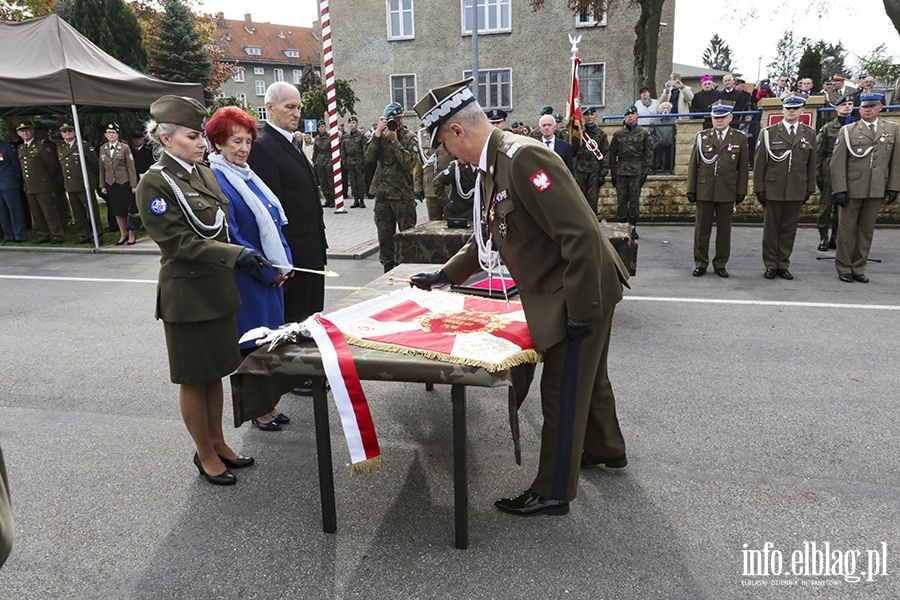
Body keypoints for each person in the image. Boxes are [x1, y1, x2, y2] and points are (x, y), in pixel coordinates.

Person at [410, 78, 630, 517]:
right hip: (566, 284)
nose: (448, 155)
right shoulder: (496, 165)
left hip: (577, 287)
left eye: (445, 145)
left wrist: (582, 309)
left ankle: (552, 491)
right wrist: (444, 274)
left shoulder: (523, 157)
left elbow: (581, 235)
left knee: (563, 389)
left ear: (457, 132)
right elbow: (488, 238)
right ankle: (606, 448)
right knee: (590, 377)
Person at [137, 95, 266, 485]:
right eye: (192, 136)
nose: (200, 143)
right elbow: (178, 243)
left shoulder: (202, 173)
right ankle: (204, 452)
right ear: (165, 139)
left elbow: (219, 226)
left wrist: (242, 253)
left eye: (200, 136)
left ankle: (219, 442)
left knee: (216, 373)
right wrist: (236, 254)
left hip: (216, 291)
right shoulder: (155, 183)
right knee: (195, 378)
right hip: (188, 296)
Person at [206, 106, 294, 430]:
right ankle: (258, 411)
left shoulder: (248, 176)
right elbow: (233, 235)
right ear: (217, 144)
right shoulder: (217, 180)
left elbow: (273, 221)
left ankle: (268, 404)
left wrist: (285, 263)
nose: (243, 148)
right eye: (235, 142)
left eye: (247, 141)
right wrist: (269, 271)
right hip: (248, 279)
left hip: (270, 276)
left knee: (269, 344)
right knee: (251, 348)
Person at [246, 82, 328, 397]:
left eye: (298, 107)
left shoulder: (291, 143)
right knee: (294, 316)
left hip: (311, 245)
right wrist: (280, 258)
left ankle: (304, 370)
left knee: (310, 313)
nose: (296, 113)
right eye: (289, 107)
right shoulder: (264, 146)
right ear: (270, 108)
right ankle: (293, 375)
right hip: (293, 250)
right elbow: (270, 209)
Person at [830, 93, 900, 283]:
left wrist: (893, 187)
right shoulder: (848, 131)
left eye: (871, 106)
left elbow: (895, 162)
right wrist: (839, 189)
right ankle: (844, 267)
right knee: (847, 229)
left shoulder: (892, 130)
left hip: (876, 187)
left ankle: (858, 267)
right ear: (859, 109)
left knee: (866, 229)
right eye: (864, 107)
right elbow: (837, 164)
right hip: (853, 187)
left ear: (880, 108)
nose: (867, 109)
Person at [753, 96, 817, 280]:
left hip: (797, 187)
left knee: (789, 229)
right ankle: (770, 264)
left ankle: (783, 263)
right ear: (782, 110)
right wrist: (759, 189)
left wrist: (809, 188)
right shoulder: (769, 133)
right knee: (771, 229)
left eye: (795, 108)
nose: (791, 111)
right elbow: (759, 164)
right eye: (788, 108)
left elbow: (811, 163)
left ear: (802, 110)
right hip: (773, 187)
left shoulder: (809, 133)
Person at [686, 101, 749, 278]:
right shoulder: (702, 137)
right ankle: (700, 262)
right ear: (711, 118)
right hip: (704, 189)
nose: (719, 121)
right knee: (701, 230)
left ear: (730, 118)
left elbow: (743, 168)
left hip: (727, 190)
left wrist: (741, 190)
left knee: (724, 231)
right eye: (715, 117)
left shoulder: (739, 138)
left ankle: (720, 263)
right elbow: (693, 165)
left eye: (722, 117)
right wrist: (691, 189)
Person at [364, 101, 420, 273]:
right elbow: (368, 158)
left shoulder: (408, 137)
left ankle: (408, 270)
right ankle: (388, 269)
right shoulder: (379, 137)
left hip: (403, 195)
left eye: (399, 118)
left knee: (407, 236)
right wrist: (378, 133)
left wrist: (395, 141)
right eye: (393, 119)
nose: (397, 122)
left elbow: (410, 163)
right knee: (385, 237)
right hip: (383, 195)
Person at [815, 93, 855, 251]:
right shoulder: (828, 128)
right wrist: (817, 174)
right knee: (826, 206)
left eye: (850, 104)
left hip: (849, 171)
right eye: (844, 105)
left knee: (843, 206)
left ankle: (836, 237)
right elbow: (819, 152)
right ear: (837, 107)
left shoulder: (856, 127)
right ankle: (823, 236)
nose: (847, 107)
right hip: (829, 171)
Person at [608, 105, 653, 240]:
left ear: (637, 115)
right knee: (621, 201)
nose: (630, 116)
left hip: (636, 170)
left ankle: (633, 228)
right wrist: (613, 172)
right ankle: (622, 228)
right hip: (621, 170)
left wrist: (645, 172)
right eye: (627, 115)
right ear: (625, 117)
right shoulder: (618, 134)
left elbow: (649, 154)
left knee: (634, 201)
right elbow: (612, 154)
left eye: (632, 114)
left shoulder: (643, 133)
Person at [16, 122, 64, 244]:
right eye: (22, 131)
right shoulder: (21, 148)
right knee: (36, 213)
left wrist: (47, 180)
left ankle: (57, 234)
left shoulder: (41, 146)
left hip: (43, 184)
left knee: (49, 211)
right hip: (29, 185)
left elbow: (52, 166)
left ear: (32, 131)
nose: (25, 133)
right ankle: (42, 235)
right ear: (18, 133)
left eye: (27, 130)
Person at [57, 123, 101, 244]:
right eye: (64, 131)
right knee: (78, 213)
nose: (67, 133)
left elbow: (94, 164)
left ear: (75, 132)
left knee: (92, 210)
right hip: (70, 185)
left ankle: (98, 235)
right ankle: (84, 235)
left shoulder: (83, 145)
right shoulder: (61, 147)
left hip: (84, 184)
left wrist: (95, 181)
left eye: (69, 131)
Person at [99, 123, 138, 245]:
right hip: (111, 183)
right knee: (117, 210)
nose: (111, 135)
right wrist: (102, 185)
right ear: (105, 135)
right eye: (109, 132)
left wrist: (133, 185)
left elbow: (131, 167)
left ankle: (132, 234)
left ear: (117, 134)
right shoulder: (103, 148)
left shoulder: (124, 147)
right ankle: (123, 234)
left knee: (128, 209)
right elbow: (101, 168)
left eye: (113, 132)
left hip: (124, 182)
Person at [573, 105, 609, 215]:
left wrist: (603, 173)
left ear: (596, 116)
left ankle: (592, 227)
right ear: (583, 117)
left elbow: (606, 153)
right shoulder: (578, 134)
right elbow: (573, 152)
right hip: (580, 171)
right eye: (587, 115)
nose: (589, 117)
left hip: (595, 172)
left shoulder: (601, 135)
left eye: (592, 115)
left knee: (592, 200)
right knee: (579, 200)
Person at [0, 137, 25, 243]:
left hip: (8, 182)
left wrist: (16, 177)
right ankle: (8, 234)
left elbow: (15, 164)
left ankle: (19, 234)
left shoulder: (7, 147)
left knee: (14, 210)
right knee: (2, 212)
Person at [341, 116, 367, 208]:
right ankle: (355, 200)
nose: (352, 124)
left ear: (357, 124)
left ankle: (362, 200)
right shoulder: (346, 137)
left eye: (354, 123)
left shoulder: (361, 136)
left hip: (359, 160)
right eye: (350, 123)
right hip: (350, 161)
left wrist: (365, 162)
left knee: (360, 181)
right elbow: (343, 150)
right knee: (352, 181)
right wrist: (343, 161)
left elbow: (365, 149)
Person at [312, 119, 335, 207]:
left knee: (330, 181)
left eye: (322, 126)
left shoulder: (330, 137)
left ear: (325, 127)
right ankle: (327, 199)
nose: (321, 128)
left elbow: (333, 149)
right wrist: (314, 162)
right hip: (319, 161)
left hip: (328, 160)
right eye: (319, 127)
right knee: (322, 182)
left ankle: (332, 199)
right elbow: (315, 151)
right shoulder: (317, 138)